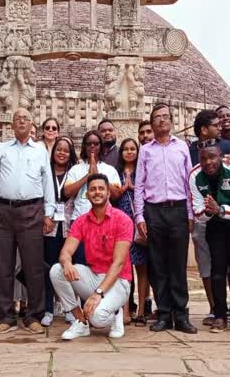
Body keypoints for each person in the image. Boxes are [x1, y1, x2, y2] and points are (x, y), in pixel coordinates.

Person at [0, 108, 55, 334]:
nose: (21, 122)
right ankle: (5, 317)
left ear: (31, 124)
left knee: (33, 266)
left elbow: (48, 183)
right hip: (4, 211)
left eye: (26, 118)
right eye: (17, 119)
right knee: (3, 266)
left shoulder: (40, 151)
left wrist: (50, 213)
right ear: (11, 124)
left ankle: (34, 316)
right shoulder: (1, 149)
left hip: (32, 211)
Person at [134, 104, 197, 334]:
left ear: (171, 121)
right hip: (154, 211)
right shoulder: (146, 150)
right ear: (151, 123)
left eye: (165, 117)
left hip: (178, 210)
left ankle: (181, 315)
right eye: (157, 118)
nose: (161, 121)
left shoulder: (182, 147)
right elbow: (140, 184)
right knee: (158, 264)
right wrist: (139, 216)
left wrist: (190, 213)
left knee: (178, 264)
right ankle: (163, 314)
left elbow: (189, 182)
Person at [51, 174, 133, 340]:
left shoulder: (122, 220)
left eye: (101, 189)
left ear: (108, 193)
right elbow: (65, 252)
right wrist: (66, 262)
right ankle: (81, 322)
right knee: (57, 270)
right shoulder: (81, 221)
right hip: (94, 276)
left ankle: (115, 312)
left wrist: (98, 294)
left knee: (98, 319)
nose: (97, 192)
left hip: (118, 281)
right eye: (93, 189)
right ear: (87, 195)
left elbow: (118, 264)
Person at [190, 140, 230, 335]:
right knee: (217, 268)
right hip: (214, 223)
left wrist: (222, 209)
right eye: (204, 158)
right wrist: (210, 212)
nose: (208, 162)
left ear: (220, 156)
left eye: (213, 157)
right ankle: (220, 315)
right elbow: (197, 210)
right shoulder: (195, 175)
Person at [189, 109, 230, 325]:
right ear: (203, 129)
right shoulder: (189, 150)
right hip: (201, 214)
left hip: (226, 213)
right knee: (206, 262)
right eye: (215, 125)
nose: (220, 127)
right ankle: (214, 307)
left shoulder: (227, 147)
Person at [43, 136, 80, 327]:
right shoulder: (46, 171)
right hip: (49, 226)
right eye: (59, 149)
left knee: (68, 268)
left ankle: (69, 308)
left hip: (69, 227)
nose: (62, 153)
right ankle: (48, 308)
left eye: (66, 150)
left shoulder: (74, 173)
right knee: (49, 268)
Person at [115, 138, 151, 325]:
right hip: (121, 223)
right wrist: (124, 188)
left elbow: (150, 192)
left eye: (133, 149)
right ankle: (125, 309)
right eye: (126, 149)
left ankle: (142, 311)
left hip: (139, 222)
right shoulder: (116, 172)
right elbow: (111, 195)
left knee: (142, 267)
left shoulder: (143, 171)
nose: (129, 152)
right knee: (123, 267)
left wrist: (134, 187)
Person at [64, 131, 122, 222]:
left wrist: (98, 176)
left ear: (101, 146)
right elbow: (67, 192)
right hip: (79, 218)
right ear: (84, 146)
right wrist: (88, 176)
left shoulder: (110, 169)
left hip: (104, 220)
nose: (92, 146)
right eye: (89, 144)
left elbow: (116, 195)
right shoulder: (75, 169)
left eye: (96, 144)